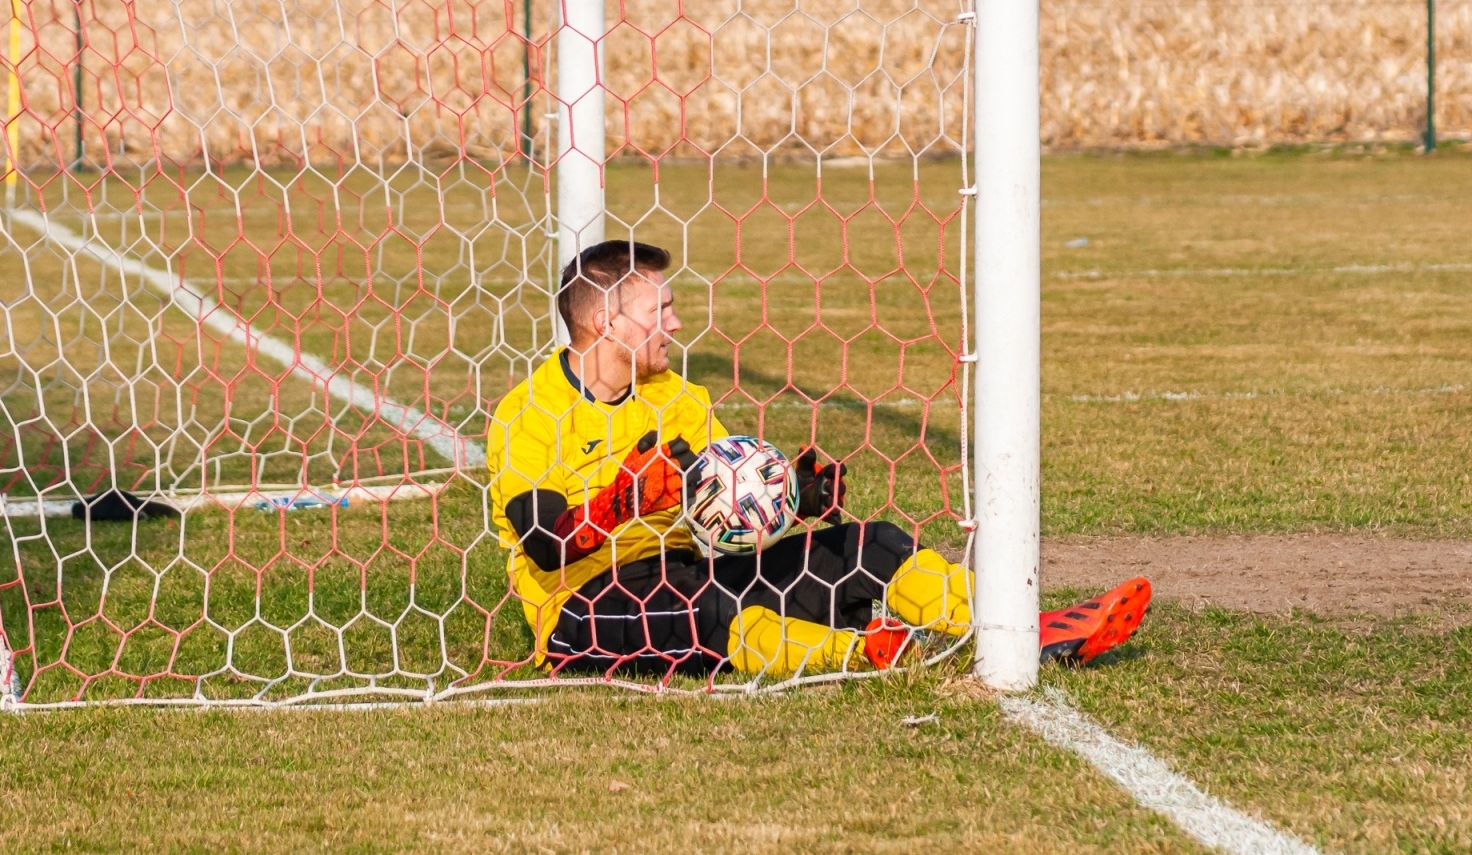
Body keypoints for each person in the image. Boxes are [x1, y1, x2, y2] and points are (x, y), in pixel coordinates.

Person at [486, 240, 1149, 679]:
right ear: (606, 323)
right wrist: (621, 502)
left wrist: (796, 500)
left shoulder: (678, 397)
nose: (676, 325)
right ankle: (864, 655)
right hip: (580, 612)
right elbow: (544, 547)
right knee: (705, 603)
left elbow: (718, 505)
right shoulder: (529, 413)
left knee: (872, 546)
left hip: (683, 567)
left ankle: (1020, 628)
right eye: (660, 310)